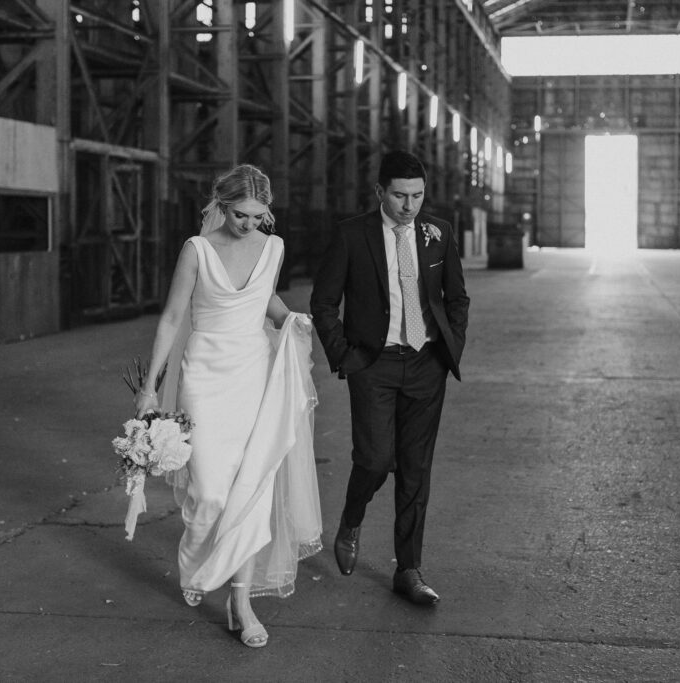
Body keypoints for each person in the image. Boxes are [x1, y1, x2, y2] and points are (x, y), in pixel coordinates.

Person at [134, 164, 322, 648]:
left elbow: (265, 301)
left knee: (251, 484)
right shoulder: (196, 249)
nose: (250, 225)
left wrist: (294, 321)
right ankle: (201, 565)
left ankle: (242, 599)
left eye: (260, 216)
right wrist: (151, 387)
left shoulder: (273, 247)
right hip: (204, 374)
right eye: (241, 214)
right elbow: (174, 316)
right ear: (220, 204)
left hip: (253, 372)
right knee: (212, 492)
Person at [310, 150, 469, 605]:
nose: (409, 205)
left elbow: (457, 296)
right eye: (399, 195)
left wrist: (450, 345)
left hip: (426, 363)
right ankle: (352, 517)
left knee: (416, 469)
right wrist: (344, 355)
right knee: (377, 458)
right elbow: (324, 303)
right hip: (373, 363)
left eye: (417, 195)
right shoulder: (351, 236)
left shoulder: (438, 233)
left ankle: (410, 569)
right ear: (380, 191)